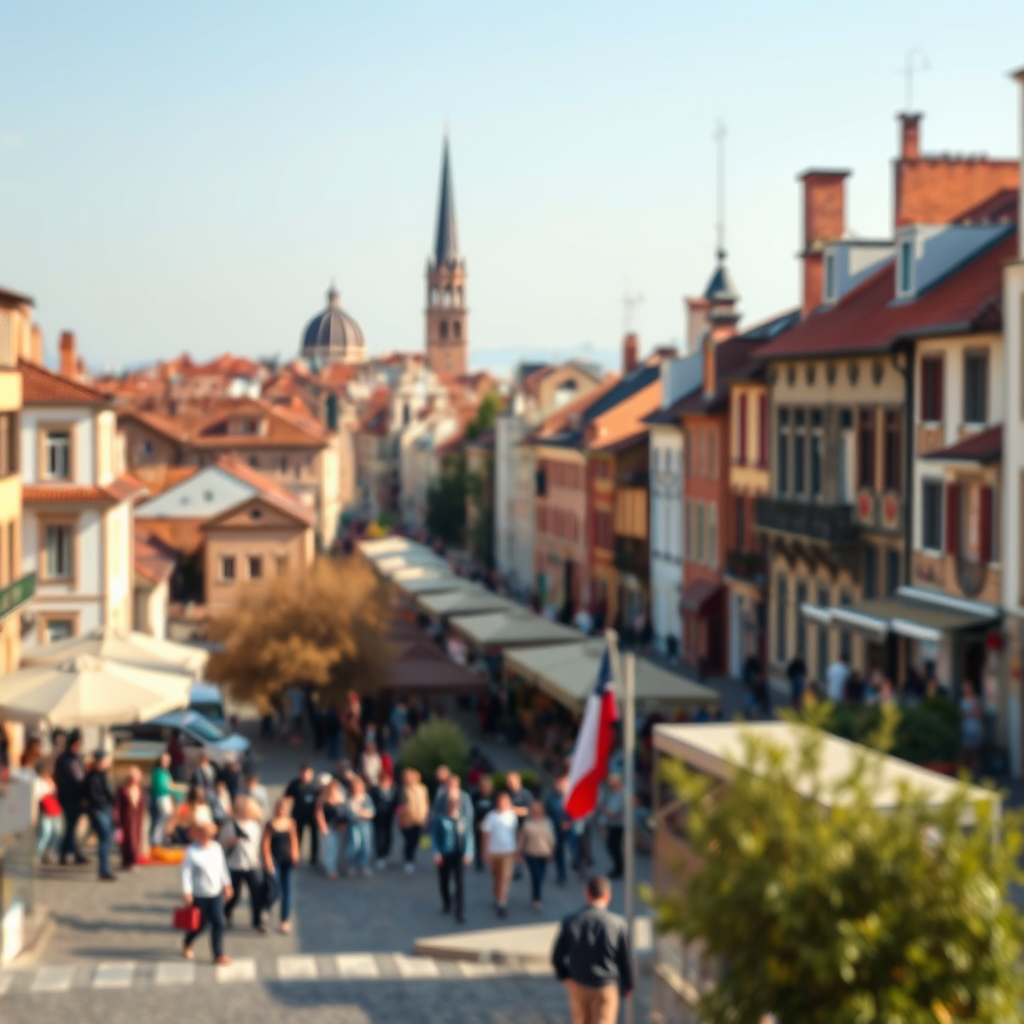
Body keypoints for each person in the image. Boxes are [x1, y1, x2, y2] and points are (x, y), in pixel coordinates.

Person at [551, 875, 634, 1024]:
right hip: (606, 985)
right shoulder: (618, 924)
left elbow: (557, 956)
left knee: (580, 1020)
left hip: (579, 982)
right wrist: (628, 984)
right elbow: (625, 959)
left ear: (587, 894)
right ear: (607, 895)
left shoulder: (571, 921)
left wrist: (565, 976)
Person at [180, 814, 233, 965]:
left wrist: (227, 885)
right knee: (200, 925)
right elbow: (186, 873)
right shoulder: (192, 851)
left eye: (211, 835)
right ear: (199, 834)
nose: (208, 837)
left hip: (215, 893)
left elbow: (222, 868)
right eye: (205, 834)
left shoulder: (216, 848)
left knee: (218, 923)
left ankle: (218, 954)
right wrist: (187, 892)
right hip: (199, 894)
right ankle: (188, 941)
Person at [221, 795, 267, 932]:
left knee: (256, 893)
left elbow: (260, 845)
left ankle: (257, 921)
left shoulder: (256, 827)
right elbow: (221, 845)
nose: (246, 812)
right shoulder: (230, 826)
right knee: (235, 895)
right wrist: (230, 842)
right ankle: (227, 910)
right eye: (244, 810)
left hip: (252, 865)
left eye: (249, 810)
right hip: (234, 865)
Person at [431, 794, 474, 923]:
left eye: (455, 806)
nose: (453, 808)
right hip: (445, 853)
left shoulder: (463, 820)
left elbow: (469, 837)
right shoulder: (441, 819)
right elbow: (435, 838)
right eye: (450, 806)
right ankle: (447, 902)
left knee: (460, 883)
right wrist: (436, 853)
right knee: (444, 881)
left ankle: (460, 912)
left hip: (459, 854)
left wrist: (469, 853)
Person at [263, 796, 300, 934]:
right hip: (275, 859)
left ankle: (284, 920)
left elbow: (294, 840)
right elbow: (266, 844)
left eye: (284, 808)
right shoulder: (270, 824)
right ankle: (266, 907)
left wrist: (296, 854)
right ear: (276, 809)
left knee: (288, 891)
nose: (282, 811)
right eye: (279, 808)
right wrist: (267, 859)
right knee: (275, 888)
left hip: (287, 860)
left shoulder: (291, 823)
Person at [480, 790, 519, 917]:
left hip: (508, 851)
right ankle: (497, 898)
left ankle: (502, 902)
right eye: (500, 801)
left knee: (505, 878)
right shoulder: (491, 816)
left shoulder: (512, 816)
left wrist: (517, 851)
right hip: (494, 851)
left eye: (505, 801)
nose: (503, 803)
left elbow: (514, 833)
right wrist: (484, 852)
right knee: (496, 877)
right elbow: (485, 835)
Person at [55, 729, 87, 865]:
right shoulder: (68, 760)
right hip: (70, 797)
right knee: (70, 825)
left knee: (71, 826)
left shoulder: (70, 758)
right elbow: (76, 779)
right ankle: (67, 853)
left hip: (71, 796)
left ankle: (70, 852)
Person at [518, 799, 556, 910]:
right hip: (531, 853)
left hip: (544, 853)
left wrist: (552, 850)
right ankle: (537, 898)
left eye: (537, 808)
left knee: (541, 876)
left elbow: (551, 838)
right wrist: (519, 852)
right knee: (536, 875)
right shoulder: (527, 823)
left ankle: (535, 894)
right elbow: (521, 839)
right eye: (533, 808)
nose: (535, 810)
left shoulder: (547, 822)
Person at [85, 750, 117, 880]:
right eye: (105, 759)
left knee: (107, 838)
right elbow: (94, 796)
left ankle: (105, 868)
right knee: (104, 837)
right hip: (99, 810)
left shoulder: (102, 775)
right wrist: (106, 803)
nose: (108, 762)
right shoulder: (93, 776)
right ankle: (104, 869)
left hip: (104, 809)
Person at [284, 763, 320, 865]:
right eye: (303, 773)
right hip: (298, 814)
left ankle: (314, 858)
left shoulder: (316, 785)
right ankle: (296, 856)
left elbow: (321, 801)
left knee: (314, 837)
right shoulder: (295, 784)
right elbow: (286, 798)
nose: (305, 776)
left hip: (312, 815)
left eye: (308, 773)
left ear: (311, 773)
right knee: (297, 836)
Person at [396, 767, 429, 873]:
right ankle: (408, 860)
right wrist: (400, 818)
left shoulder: (422, 788)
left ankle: (412, 858)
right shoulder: (403, 789)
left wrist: (426, 817)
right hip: (407, 819)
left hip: (419, 819)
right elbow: (400, 806)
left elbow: (426, 803)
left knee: (416, 840)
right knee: (409, 840)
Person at [114, 766, 146, 871]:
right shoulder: (123, 790)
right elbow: (117, 805)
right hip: (126, 819)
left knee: (136, 838)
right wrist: (116, 817)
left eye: (136, 776)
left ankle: (133, 860)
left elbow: (142, 806)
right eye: (133, 776)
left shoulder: (140, 790)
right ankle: (128, 861)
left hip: (138, 819)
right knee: (128, 840)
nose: (134, 779)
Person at [316, 778, 347, 880]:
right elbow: (319, 813)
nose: (333, 791)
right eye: (332, 789)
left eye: (335, 789)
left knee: (337, 848)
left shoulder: (341, 799)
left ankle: (333, 865)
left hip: (339, 827)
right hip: (328, 827)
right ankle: (330, 869)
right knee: (330, 848)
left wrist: (343, 825)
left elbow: (344, 813)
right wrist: (323, 826)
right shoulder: (323, 799)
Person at [346, 776, 376, 876]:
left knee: (366, 845)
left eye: (360, 786)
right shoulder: (350, 798)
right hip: (354, 824)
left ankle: (364, 865)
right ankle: (351, 865)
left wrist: (361, 812)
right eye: (357, 786)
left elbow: (371, 812)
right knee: (355, 845)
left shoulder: (366, 797)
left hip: (365, 825)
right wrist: (363, 812)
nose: (359, 788)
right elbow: (351, 812)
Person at [544, 774, 570, 886]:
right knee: (559, 851)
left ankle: (580, 863)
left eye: (561, 783)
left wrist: (569, 822)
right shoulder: (550, 799)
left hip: (570, 827)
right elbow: (546, 814)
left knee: (575, 848)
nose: (559, 786)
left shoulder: (570, 797)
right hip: (556, 828)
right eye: (557, 784)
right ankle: (561, 875)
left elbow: (574, 812)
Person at [35, 761, 64, 863]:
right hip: (46, 810)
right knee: (45, 834)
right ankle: (37, 854)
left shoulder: (49, 780)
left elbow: (55, 792)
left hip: (55, 809)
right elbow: (38, 796)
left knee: (56, 833)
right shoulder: (37, 781)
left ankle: (50, 854)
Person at [596, 775, 624, 880]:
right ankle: (618, 868)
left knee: (614, 847)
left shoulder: (620, 795)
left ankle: (619, 869)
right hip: (612, 825)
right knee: (611, 846)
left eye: (612, 781)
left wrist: (602, 806)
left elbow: (612, 814)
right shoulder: (614, 793)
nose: (610, 783)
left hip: (617, 825)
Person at [370, 770, 398, 869]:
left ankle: (385, 852)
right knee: (379, 837)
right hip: (378, 817)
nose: (386, 783)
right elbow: (372, 803)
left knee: (388, 836)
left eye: (387, 781)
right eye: (383, 781)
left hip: (389, 817)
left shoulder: (394, 790)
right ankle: (380, 855)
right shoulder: (374, 791)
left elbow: (397, 802)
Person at [150, 752, 179, 847]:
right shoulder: (157, 772)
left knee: (166, 820)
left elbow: (171, 784)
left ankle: (163, 839)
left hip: (167, 798)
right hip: (160, 798)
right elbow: (162, 787)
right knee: (161, 819)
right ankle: (156, 840)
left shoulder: (166, 772)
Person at [470, 775, 495, 873]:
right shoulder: (475, 796)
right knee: (479, 844)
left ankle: (491, 861)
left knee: (491, 844)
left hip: (491, 824)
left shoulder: (493, 796)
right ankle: (479, 862)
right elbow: (472, 810)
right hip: (478, 823)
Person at [960, 680, 984, 772]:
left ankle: (975, 766)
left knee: (975, 748)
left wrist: (969, 713)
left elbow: (978, 713)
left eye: (967, 687)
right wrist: (971, 712)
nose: (965, 689)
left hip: (975, 727)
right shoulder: (962, 700)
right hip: (965, 727)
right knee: (966, 748)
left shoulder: (975, 699)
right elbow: (962, 714)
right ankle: (967, 767)